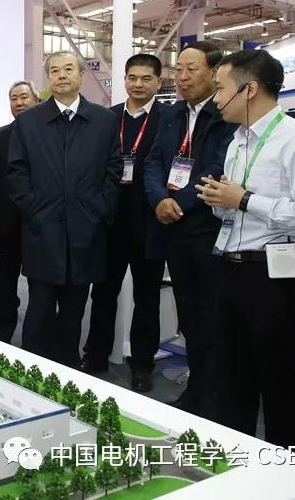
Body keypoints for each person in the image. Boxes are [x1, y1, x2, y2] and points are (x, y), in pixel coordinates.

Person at [196, 49, 295, 451]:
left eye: (220, 88)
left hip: (279, 279)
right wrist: (222, 202)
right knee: (232, 383)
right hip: (233, 271)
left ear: (250, 89)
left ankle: (292, 475)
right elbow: (237, 211)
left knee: (280, 387)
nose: (216, 98)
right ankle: (237, 467)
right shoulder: (236, 143)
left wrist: (244, 200)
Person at [9, 52, 121, 367]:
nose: (61, 75)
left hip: (85, 231)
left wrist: (99, 210)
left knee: (74, 311)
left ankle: (68, 370)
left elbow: (114, 170)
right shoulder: (29, 121)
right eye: (55, 70)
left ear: (81, 75)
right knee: (39, 310)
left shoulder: (103, 120)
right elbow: (16, 172)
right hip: (42, 231)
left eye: (69, 69)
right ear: (48, 78)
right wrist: (34, 209)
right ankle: (32, 371)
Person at [143, 40, 236, 419]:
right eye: (178, 69)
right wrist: (158, 200)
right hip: (173, 230)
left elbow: (218, 166)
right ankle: (196, 392)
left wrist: (180, 202)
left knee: (212, 318)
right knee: (190, 317)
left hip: (208, 229)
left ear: (214, 72)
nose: (181, 77)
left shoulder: (225, 115)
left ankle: (213, 397)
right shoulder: (172, 114)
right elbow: (152, 161)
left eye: (190, 69)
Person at [81, 54, 167, 392]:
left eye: (146, 78)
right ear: (125, 79)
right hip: (110, 222)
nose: (138, 84)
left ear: (159, 82)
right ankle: (95, 355)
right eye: (132, 77)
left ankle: (142, 364)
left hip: (150, 222)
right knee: (103, 293)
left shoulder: (169, 119)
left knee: (147, 297)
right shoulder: (108, 117)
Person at [0, 80, 39, 343]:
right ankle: (3, 331)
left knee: (40, 283)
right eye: (14, 98)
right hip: (7, 221)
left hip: (40, 221)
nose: (19, 103)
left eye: (24, 97)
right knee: (6, 279)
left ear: (36, 100)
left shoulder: (48, 134)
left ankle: (37, 335)